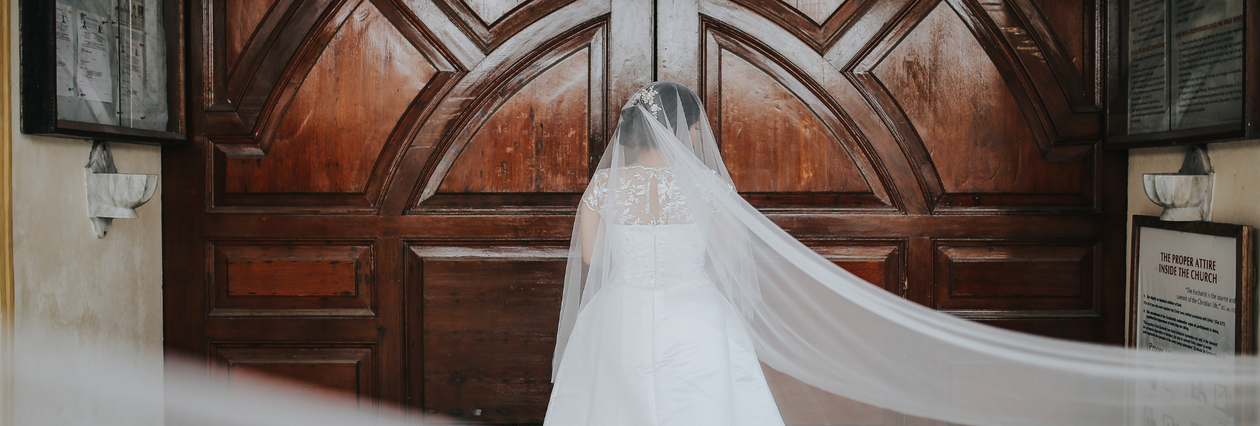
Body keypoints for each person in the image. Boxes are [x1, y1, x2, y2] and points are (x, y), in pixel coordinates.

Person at [546, 82, 1260, 426]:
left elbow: (596, 263)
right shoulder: (702, 190)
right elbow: (734, 262)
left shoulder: (601, 194)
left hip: (616, 317)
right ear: (686, 130)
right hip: (691, 318)